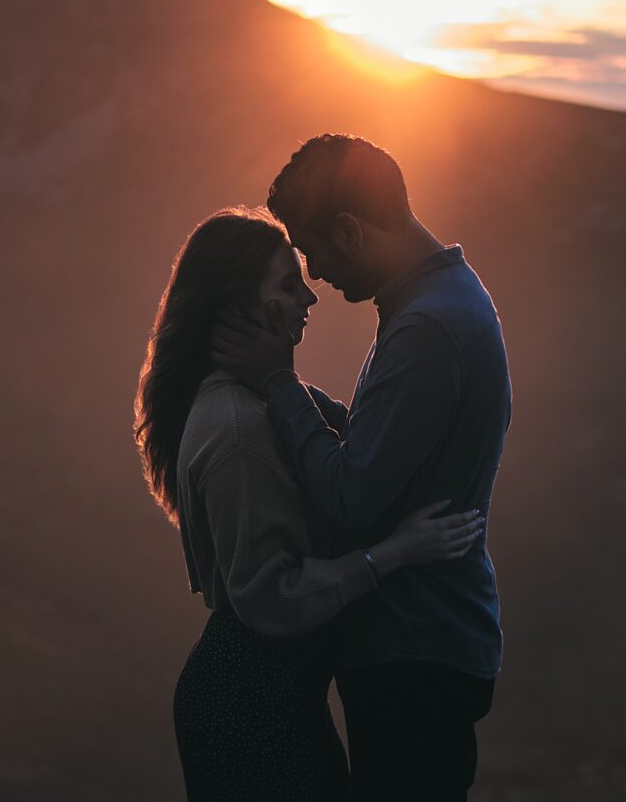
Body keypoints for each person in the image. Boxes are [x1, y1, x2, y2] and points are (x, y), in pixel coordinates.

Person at [135, 207, 486, 802]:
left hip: (269, 699)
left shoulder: (247, 401)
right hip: (251, 711)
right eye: (286, 283)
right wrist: (392, 555)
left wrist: (281, 380)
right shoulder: (239, 429)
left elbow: (351, 439)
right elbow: (272, 596)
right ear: (240, 303)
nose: (309, 297)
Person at [210, 135, 513, 802]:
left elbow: (350, 498)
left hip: (415, 651)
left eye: (312, 250)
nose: (315, 275)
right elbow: (396, 448)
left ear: (349, 231)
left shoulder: (427, 330)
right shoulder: (446, 298)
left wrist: (279, 384)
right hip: (431, 645)